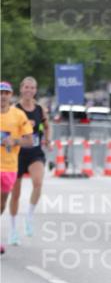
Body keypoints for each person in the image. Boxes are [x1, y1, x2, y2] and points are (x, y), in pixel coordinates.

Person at [8, 76, 51, 244]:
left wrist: (48, 139)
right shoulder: (14, 109)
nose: (29, 90)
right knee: (15, 194)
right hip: (17, 154)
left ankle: (29, 217)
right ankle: (13, 230)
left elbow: (47, 126)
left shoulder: (40, 109)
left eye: (32, 88)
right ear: (21, 89)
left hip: (35, 152)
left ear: (35, 90)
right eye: (26, 87)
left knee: (38, 183)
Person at [0, 82, 34, 254]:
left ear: (11, 95)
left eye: (6, 93)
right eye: (0, 92)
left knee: (1, 204)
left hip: (10, 166)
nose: (3, 96)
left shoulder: (18, 115)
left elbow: (30, 140)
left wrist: (14, 141)